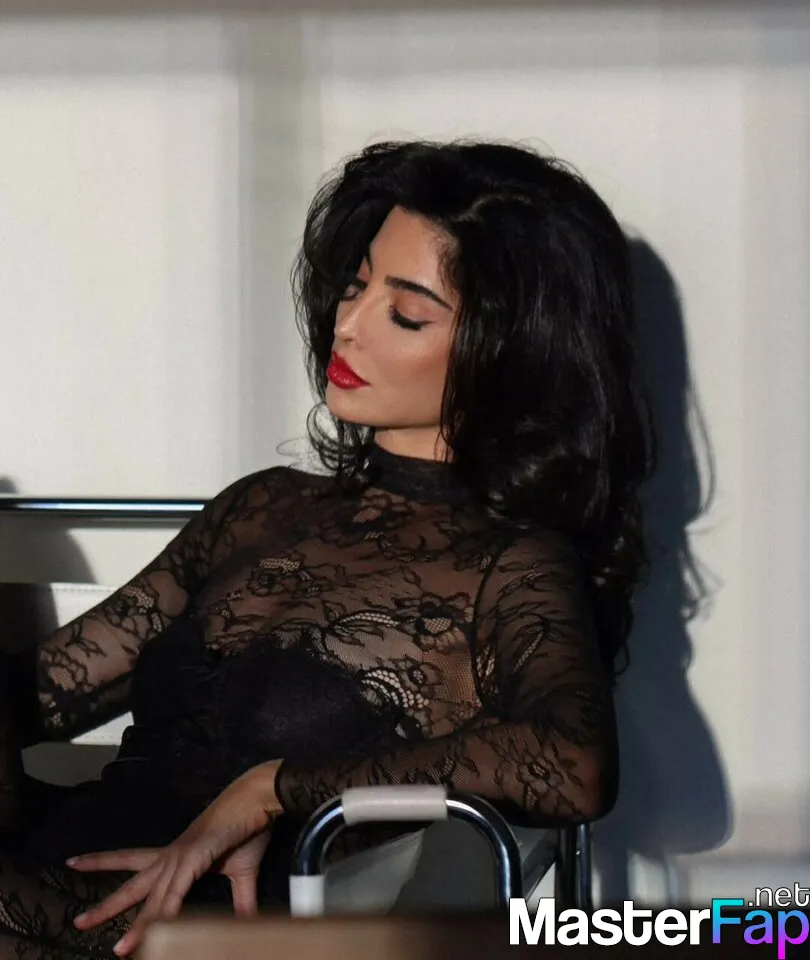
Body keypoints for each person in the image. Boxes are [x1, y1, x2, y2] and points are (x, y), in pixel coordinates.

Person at [0, 139, 655, 959]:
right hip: (69, 863)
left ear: (510, 350)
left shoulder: (509, 567)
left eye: (405, 314)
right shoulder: (262, 508)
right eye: (355, 285)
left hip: (231, 922)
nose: (346, 324)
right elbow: (45, 693)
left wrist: (273, 790)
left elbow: (572, 765)